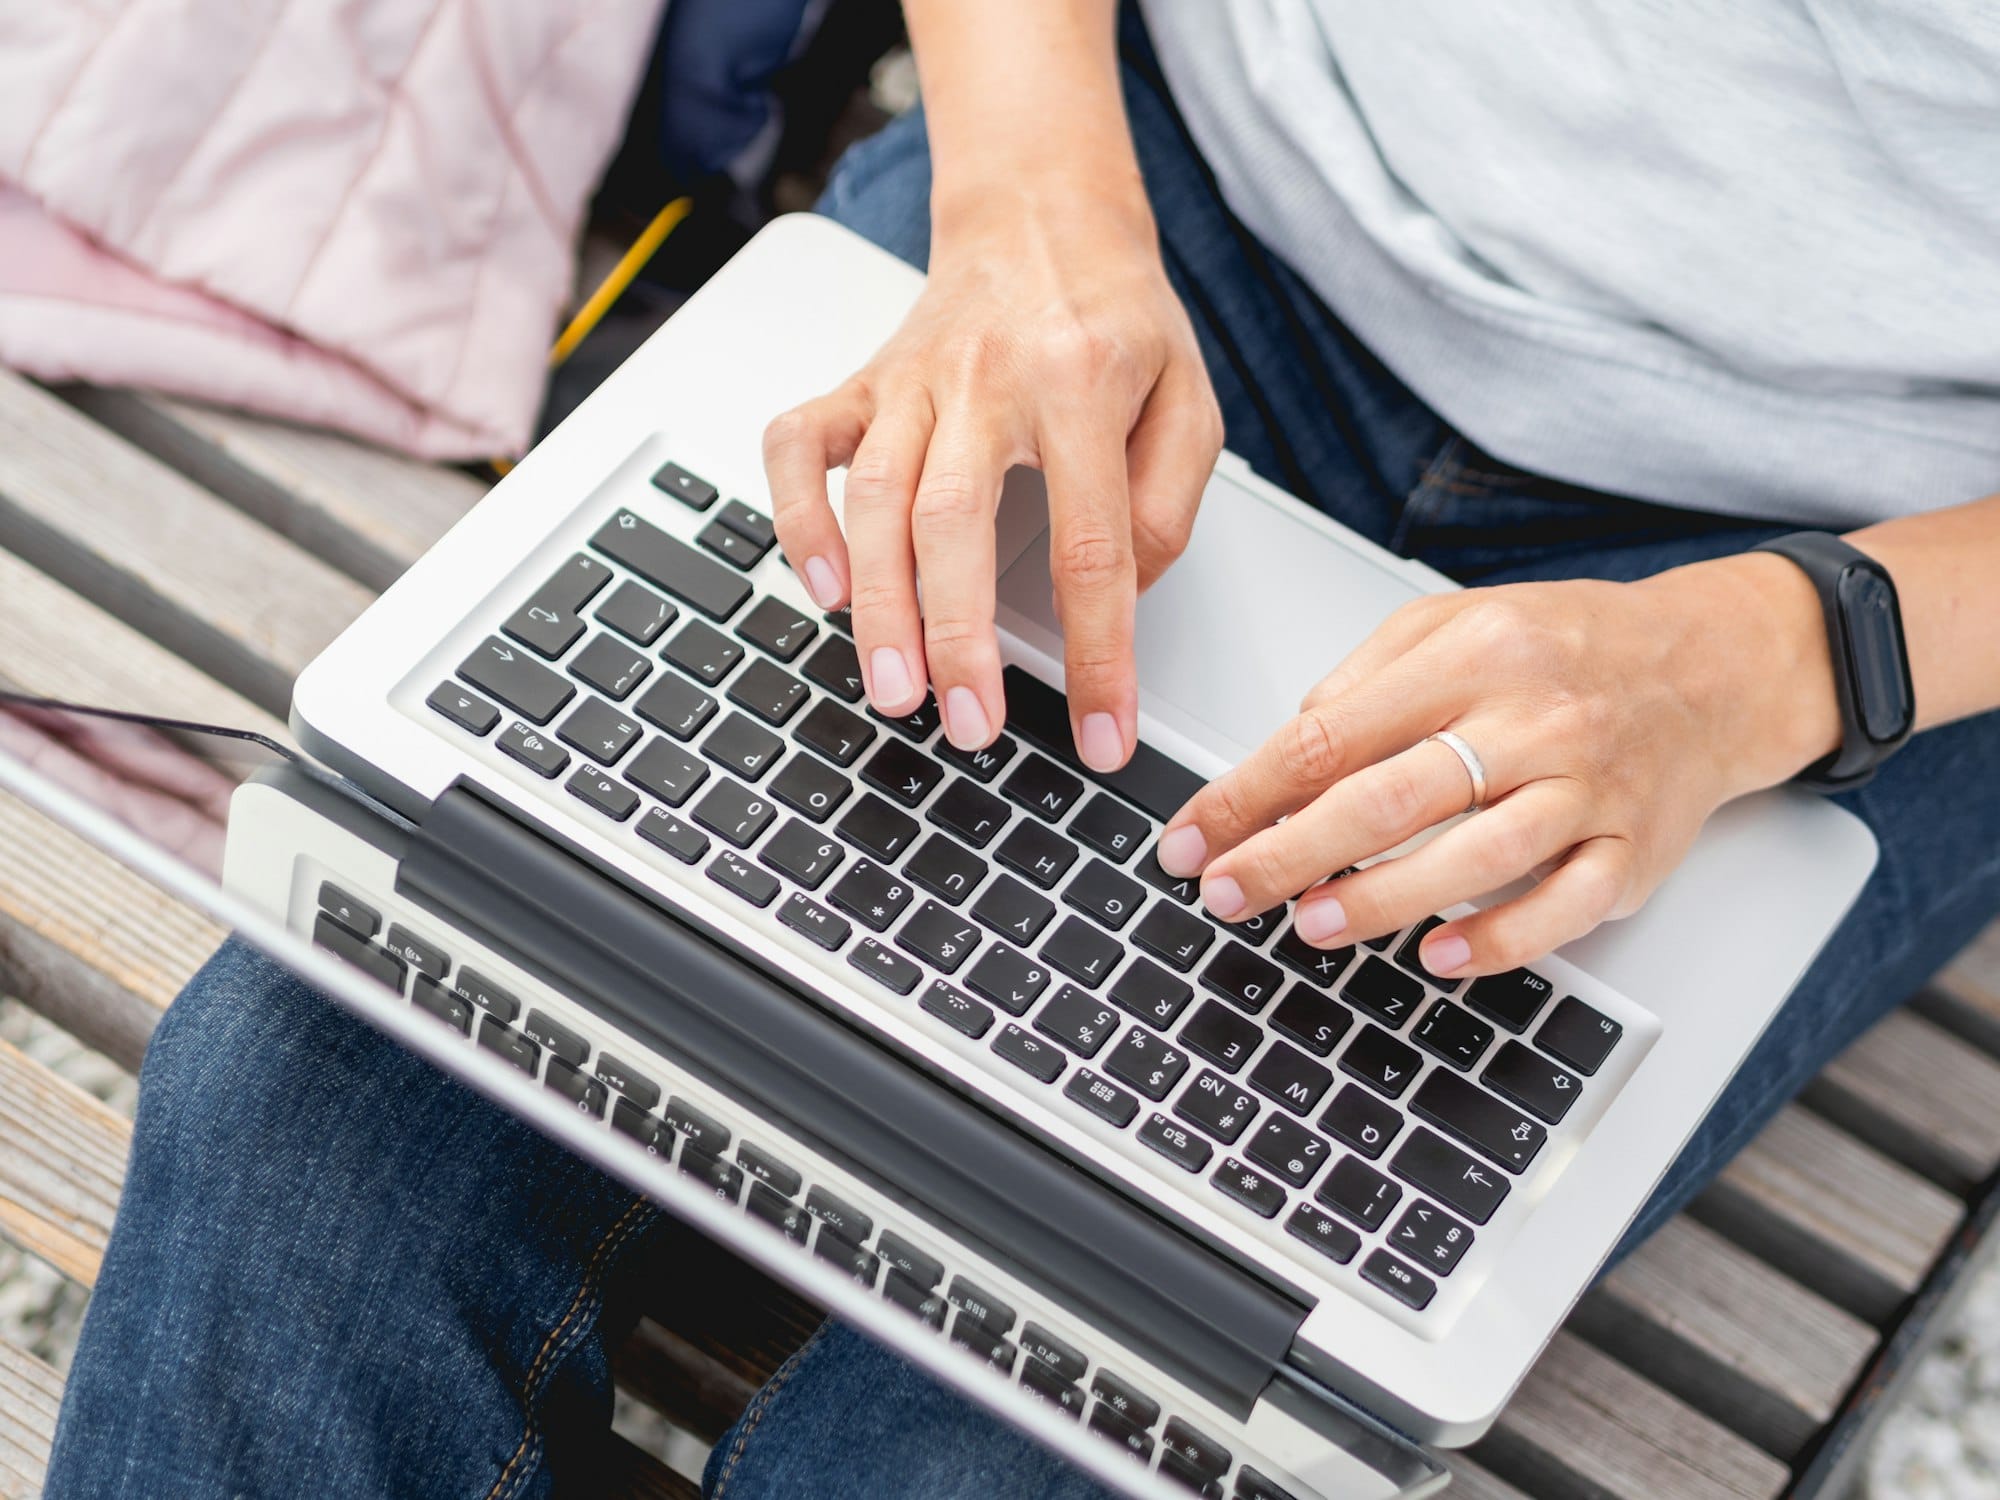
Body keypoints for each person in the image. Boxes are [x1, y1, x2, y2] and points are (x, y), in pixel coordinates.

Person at [45, 3, 2000, 1496]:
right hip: (1164, 197)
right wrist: (1028, 188)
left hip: (1862, 559)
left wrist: (1783, 651)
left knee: (1015, 1449)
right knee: (302, 1108)